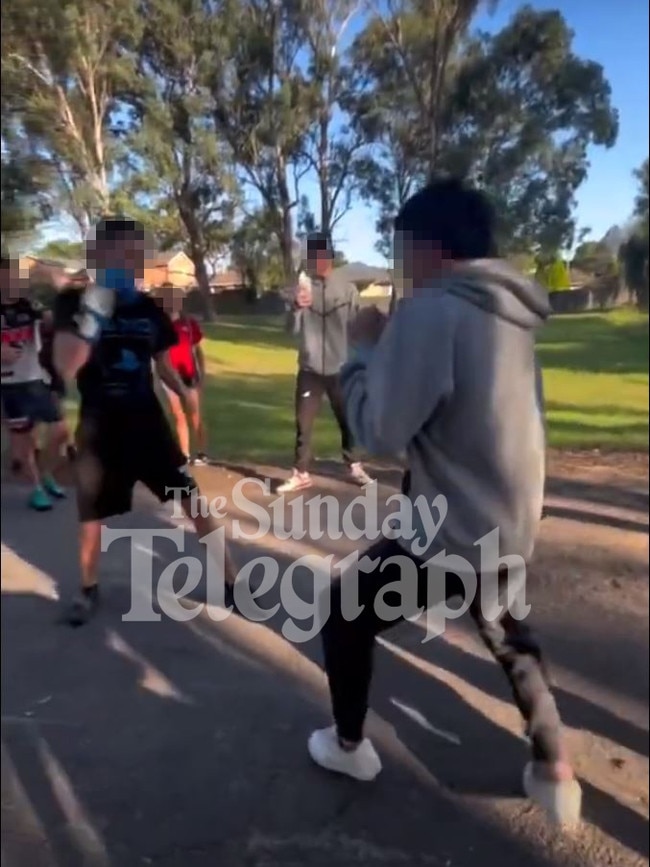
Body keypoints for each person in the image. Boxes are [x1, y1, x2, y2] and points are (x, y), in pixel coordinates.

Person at [307, 179, 582, 827]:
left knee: (345, 616)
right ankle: (556, 768)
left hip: (448, 532)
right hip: (507, 522)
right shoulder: (510, 316)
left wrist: (365, 348)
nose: (400, 263)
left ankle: (348, 747)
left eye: (402, 249)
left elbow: (377, 433)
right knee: (508, 634)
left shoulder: (434, 311)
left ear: (430, 247)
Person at [52, 216, 236, 626]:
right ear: (99, 255)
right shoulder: (73, 304)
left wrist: (185, 391)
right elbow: (66, 365)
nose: (134, 264)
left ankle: (234, 584)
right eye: (126, 255)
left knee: (194, 502)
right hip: (100, 428)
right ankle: (87, 590)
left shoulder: (150, 309)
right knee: (90, 515)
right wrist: (94, 312)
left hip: (147, 425)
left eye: (137, 257)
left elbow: (163, 364)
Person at [278, 232, 373, 493]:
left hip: (342, 366)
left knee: (348, 419)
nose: (315, 261)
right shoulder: (302, 289)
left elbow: (358, 327)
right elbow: (289, 329)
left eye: (319, 255)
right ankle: (301, 472)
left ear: (329, 256)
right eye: (311, 256)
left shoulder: (347, 289)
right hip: (310, 368)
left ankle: (354, 465)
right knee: (303, 422)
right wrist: (296, 306)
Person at [1, 255, 68, 509]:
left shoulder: (28, 304)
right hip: (8, 386)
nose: (11, 280)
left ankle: (46, 472)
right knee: (23, 442)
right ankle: (36, 488)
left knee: (60, 432)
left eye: (14, 275)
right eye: (5, 276)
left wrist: (56, 289)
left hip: (35, 380)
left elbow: (54, 320)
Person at [156, 282, 209, 465]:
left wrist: (202, 372)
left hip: (189, 374)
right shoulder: (159, 325)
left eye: (175, 298)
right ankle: (185, 454)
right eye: (168, 298)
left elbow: (198, 350)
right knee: (178, 415)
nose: (172, 302)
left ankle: (202, 452)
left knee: (194, 414)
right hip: (169, 376)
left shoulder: (188, 323)